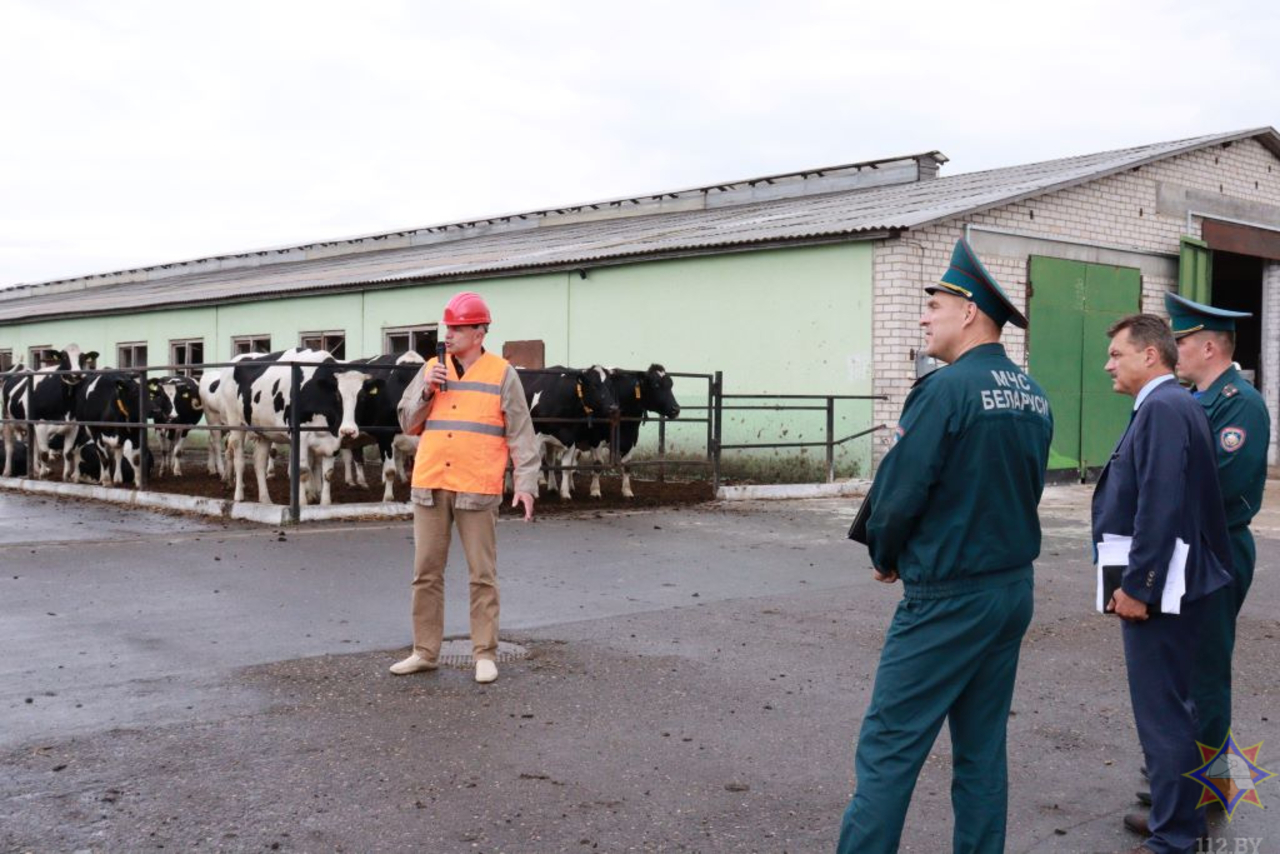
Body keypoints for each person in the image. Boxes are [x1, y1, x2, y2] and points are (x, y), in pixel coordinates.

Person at [837, 237, 1053, 854]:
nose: (925, 317)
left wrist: (886, 555)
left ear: (969, 312)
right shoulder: (1033, 394)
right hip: (1010, 589)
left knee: (889, 747)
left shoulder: (945, 389)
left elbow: (900, 493)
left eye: (934, 304)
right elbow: (1022, 489)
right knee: (982, 749)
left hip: (948, 597)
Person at [1092, 313, 1233, 853]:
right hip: (1175, 585)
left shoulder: (1166, 408)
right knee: (1174, 707)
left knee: (1164, 713)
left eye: (1117, 354)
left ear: (1150, 356)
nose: (1108, 364)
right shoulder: (1170, 405)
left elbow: (1161, 503)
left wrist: (1140, 586)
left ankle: (1174, 836)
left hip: (1164, 590)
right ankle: (1180, 820)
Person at [1134, 293, 1268, 803]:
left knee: (1205, 670)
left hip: (1218, 547)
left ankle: (1205, 787)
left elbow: (1219, 485)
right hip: (1188, 546)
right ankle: (1178, 773)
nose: (1174, 349)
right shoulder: (1195, 400)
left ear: (1209, 347)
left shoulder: (1241, 405)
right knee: (1180, 665)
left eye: (1182, 341)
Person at [391, 291, 540, 684]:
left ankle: (484, 654)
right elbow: (406, 421)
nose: (449, 335)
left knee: (482, 574)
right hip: (431, 483)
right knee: (425, 573)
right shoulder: (430, 369)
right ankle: (424, 651)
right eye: (448, 328)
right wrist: (426, 390)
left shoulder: (502, 373)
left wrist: (525, 484)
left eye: (457, 328)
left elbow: (522, 433)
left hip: (476, 487)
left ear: (479, 331)